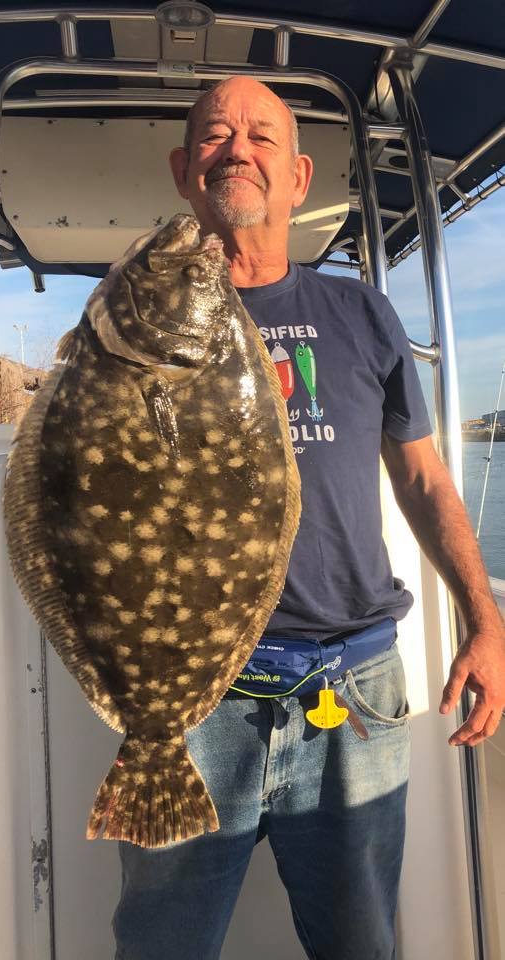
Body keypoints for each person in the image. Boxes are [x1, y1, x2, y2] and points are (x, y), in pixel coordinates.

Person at [112, 77, 505, 960]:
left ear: (297, 177)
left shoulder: (360, 312)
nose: (236, 149)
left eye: (259, 136)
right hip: (193, 693)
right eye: (215, 135)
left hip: (353, 685)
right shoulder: (139, 321)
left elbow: (425, 480)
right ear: (185, 170)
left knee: (360, 943)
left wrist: (487, 620)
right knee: (160, 945)